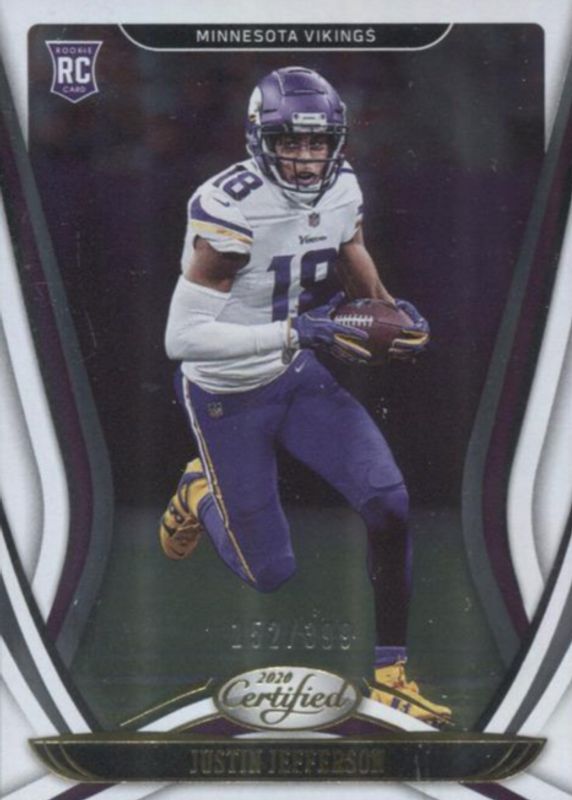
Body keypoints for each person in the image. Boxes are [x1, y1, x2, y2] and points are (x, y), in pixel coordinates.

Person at [160, 66, 451, 725]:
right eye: (290, 141)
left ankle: (392, 676)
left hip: (295, 373)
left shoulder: (343, 185)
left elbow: (349, 243)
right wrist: (300, 330)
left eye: (318, 143)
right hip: (227, 393)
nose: (306, 157)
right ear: (260, 140)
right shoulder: (230, 206)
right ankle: (197, 490)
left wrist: (385, 309)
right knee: (269, 574)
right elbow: (183, 338)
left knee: (390, 502)